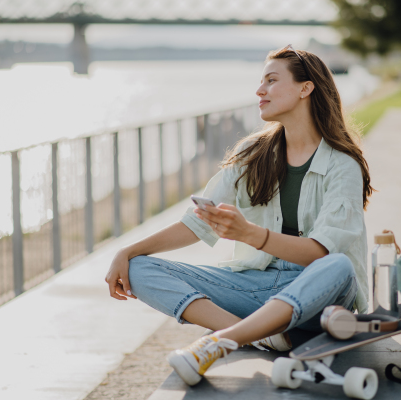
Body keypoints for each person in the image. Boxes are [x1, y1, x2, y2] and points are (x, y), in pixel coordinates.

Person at [104, 44, 373, 386]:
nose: (260, 90)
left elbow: (321, 252)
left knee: (339, 264)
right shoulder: (252, 153)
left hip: (320, 294)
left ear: (306, 88)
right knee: (140, 267)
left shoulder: (342, 165)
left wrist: (250, 235)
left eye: (272, 80)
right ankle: (254, 333)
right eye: (261, 81)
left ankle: (223, 340)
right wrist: (127, 252)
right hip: (256, 286)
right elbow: (196, 222)